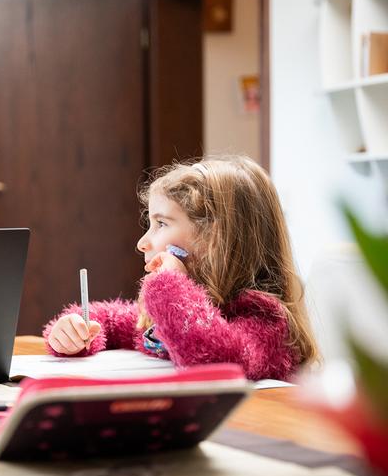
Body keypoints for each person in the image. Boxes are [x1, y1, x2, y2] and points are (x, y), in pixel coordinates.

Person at [43, 156, 318, 381]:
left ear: (214, 239)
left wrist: (169, 284)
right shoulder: (183, 309)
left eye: (161, 224)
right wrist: (76, 330)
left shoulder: (264, 319)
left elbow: (211, 360)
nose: (142, 242)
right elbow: (115, 321)